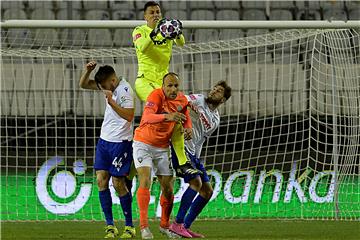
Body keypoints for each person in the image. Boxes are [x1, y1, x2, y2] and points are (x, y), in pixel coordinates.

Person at [132, 1, 192, 174]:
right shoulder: (139, 31)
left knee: (175, 116)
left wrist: (175, 29)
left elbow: (181, 43)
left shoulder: (167, 29)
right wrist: (156, 32)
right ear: (145, 16)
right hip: (145, 81)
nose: (156, 15)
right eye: (151, 12)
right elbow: (143, 47)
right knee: (169, 112)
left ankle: (181, 163)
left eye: (158, 12)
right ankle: (158, 152)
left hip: (163, 84)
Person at [79, 61, 136, 239]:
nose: (102, 89)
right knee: (101, 181)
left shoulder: (125, 91)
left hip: (121, 142)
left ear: (112, 80)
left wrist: (111, 102)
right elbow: (83, 85)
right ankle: (110, 226)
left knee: (118, 184)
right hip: (104, 141)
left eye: (104, 86)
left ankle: (129, 226)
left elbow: (129, 115)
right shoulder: (108, 84)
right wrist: (87, 71)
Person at [133, 73, 192, 239]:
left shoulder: (182, 100)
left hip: (162, 147)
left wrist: (188, 127)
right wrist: (167, 116)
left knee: (168, 188)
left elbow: (185, 114)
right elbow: (147, 117)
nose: (173, 89)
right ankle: (144, 227)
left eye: (176, 86)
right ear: (163, 86)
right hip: (143, 143)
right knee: (145, 180)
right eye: (169, 86)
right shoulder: (156, 95)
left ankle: (165, 226)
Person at [169, 81, 232, 238]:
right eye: (214, 88)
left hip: (193, 154)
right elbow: (180, 101)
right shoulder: (198, 99)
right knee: (196, 183)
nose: (213, 91)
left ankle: (185, 226)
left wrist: (196, 159)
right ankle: (176, 224)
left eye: (218, 91)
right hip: (180, 147)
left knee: (207, 191)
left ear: (223, 100)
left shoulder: (215, 120)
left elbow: (201, 139)